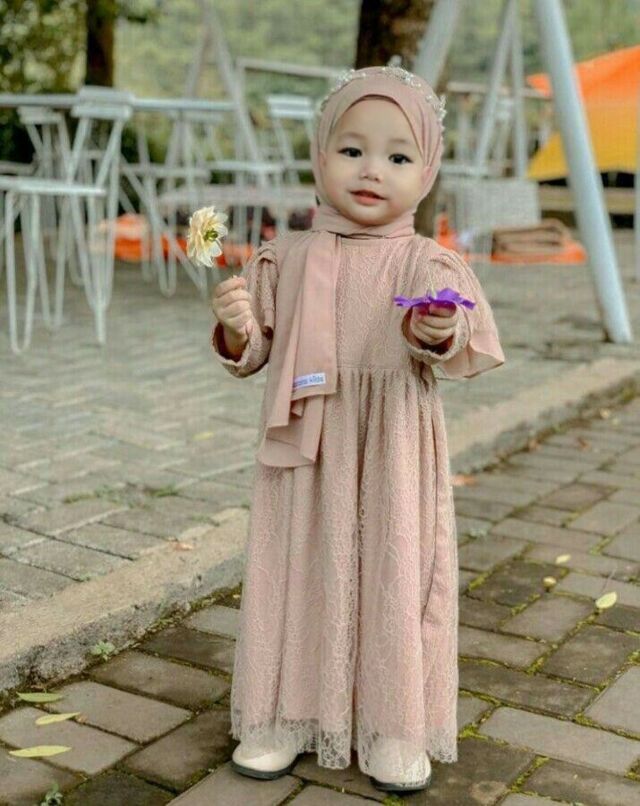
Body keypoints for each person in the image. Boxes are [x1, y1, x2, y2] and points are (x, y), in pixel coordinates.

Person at [210, 65, 505, 794]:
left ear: (426, 173)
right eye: (352, 150)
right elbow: (255, 351)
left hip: (389, 451)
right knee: (296, 567)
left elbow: (453, 334)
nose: (372, 170)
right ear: (320, 156)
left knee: (393, 575)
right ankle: (283, 712)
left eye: (398, 156)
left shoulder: (424, 260)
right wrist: (237, 327)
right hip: (304, 450)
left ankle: (393, 724)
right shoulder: (286, 257)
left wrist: (435, 326)